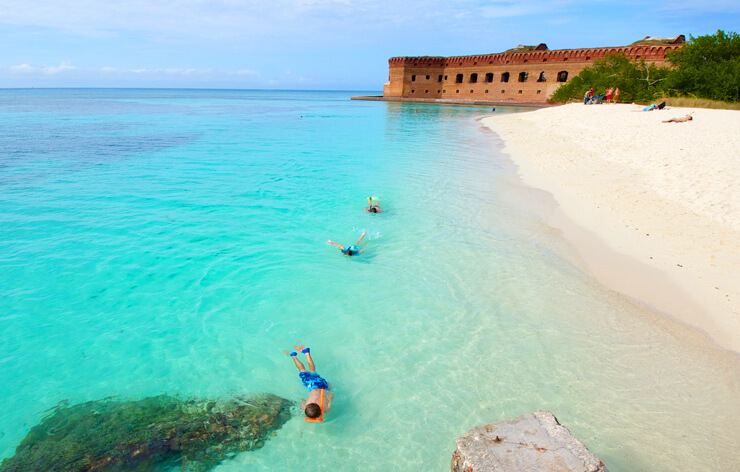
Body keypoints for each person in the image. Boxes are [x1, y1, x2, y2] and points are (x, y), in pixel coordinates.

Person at [283, 345, 333, 422]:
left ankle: (306, 353)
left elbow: (330, 397)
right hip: (312, 385)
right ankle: (294, 356)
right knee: (302, 369)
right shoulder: (305, 406)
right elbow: (302, 400)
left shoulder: (325, 407)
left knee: (313, 371)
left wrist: (330, 391)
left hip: (322, 385)